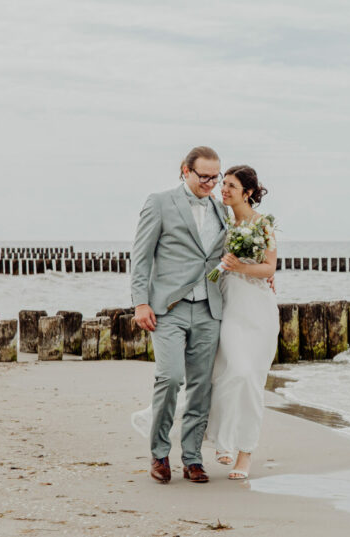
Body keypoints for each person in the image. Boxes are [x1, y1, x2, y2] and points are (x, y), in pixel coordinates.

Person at [130, 146, 228, 484]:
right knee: (170, 378)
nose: (210, 184)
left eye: (215, 177)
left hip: (208, 308)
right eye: (204, 177)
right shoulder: (159, 202)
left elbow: (222, 257)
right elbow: (141, 257)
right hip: (167, 308)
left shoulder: (220, 209)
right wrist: (140, 302)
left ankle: (192, 458)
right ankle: (159, 455)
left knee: (201, 386)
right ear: (185, 171)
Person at [205, 165, 279, 480]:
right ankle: (222, 440)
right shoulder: (219, 220)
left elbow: (269, 268)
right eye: (223, 183)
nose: (224, 189)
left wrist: (239, 267)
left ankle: (244, 454)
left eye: (231, 185)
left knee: (251, 379)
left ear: (247, 192)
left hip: (259, 309)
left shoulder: (263, 225)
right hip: (229, 306)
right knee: (230, 370)